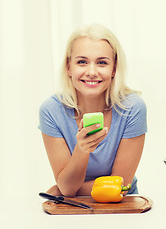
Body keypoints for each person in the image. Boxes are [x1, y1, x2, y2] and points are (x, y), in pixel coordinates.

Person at [38, 24, 147, 197]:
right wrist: (82, 149)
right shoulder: (51, 111)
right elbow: (68, 188)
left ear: (113, 69)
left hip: (122, 209)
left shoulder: (132, 108)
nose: (91, 72)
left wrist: (64, 190)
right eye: (82, 62)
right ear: (69, 67)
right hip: (73, 209)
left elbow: (121, 186)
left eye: (102, 63)